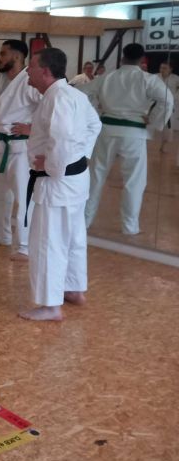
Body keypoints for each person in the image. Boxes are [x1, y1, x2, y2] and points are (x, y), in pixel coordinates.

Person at [20, 48, 101, 321]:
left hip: (57, 184)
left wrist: (53, 166)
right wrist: (77, 158)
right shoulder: (74, 95)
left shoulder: (59, 98)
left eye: (31, 66)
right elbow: (94, 125)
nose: (27, 70)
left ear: (45, 71)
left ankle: (50, 305)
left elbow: (63, 138)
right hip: (75, 181)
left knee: (48, 242)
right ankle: (74, 289)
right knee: (74, 237)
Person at [83, 44, 173, 235]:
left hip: (107, 129)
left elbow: (83, 93)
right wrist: (153, 122)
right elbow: (168, 100)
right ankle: (130, 227)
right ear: (142, 60)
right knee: (134, 181)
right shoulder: (147, 79)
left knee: (96, 177)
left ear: (122, 57)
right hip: (134, 132)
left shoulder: (107, 77)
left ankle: (84, 221)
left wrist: (94, 113)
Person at [0, 39, 41, 262]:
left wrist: (33, 127)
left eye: (3, 54)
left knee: (24, 196)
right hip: (0, 145)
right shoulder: (3, 80)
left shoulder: (29, 80)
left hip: (20, 148)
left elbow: (49, 107)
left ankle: (25, 245)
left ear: (17, 56)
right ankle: (0, 235)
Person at [154, 61, 179, 153]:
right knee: (151, 125)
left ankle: (163, 146)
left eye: (165, 68)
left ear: (170, 69)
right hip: (156, 104)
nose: (162, 70)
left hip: (169, 105)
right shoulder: (155, 77)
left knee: (168, 127)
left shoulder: (176, 78)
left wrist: (174, 98)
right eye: (161, 67)